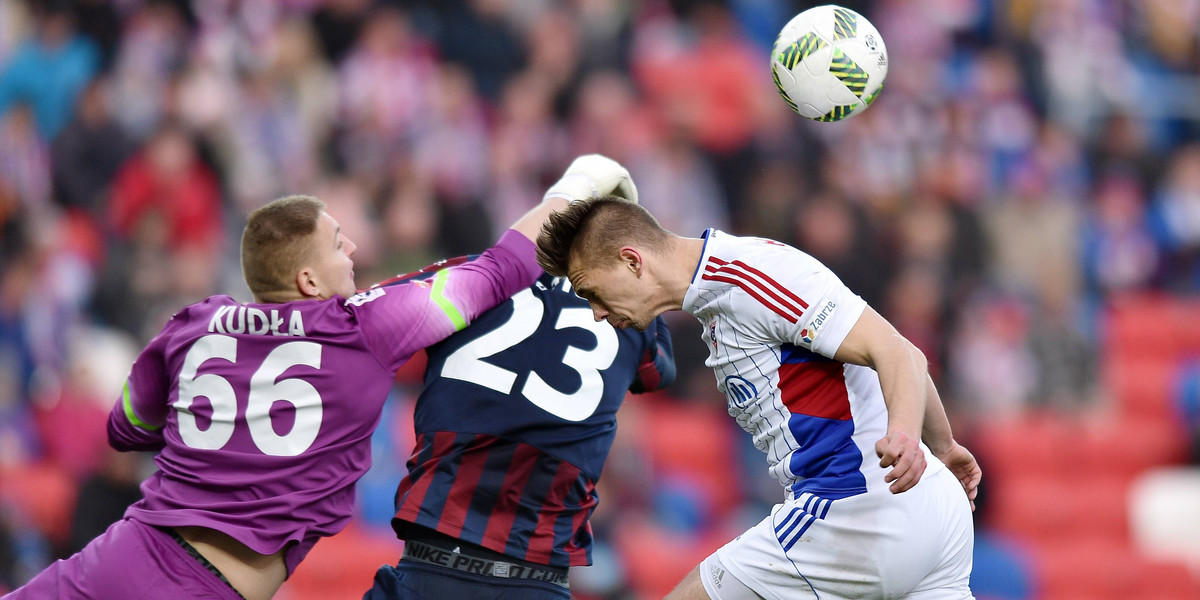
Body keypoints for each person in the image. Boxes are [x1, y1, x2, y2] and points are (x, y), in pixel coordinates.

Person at [3, 154, 634, 600]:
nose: (353, 250)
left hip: (119, 555)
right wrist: (578, 185)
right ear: (307, 279)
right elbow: (502, 267)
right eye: (338, 243)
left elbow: (126, 427)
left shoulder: (194, 322)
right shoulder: (364, 328)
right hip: (206, 587)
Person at [536, 196, 982, 600]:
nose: (595, 311)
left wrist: (905, 433)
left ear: (632, 261)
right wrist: (942, 447)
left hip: (855, 509)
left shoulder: (748, 279)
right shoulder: (722, 292)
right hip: (928, 509)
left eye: (590, 291)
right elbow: (906, 351)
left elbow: (895, 351)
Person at [361, 161, 676, 600]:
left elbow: (366, 321)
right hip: (537, 581)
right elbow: (658, 373)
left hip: (433, 567)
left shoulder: (470, 277)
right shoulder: (633, 320)